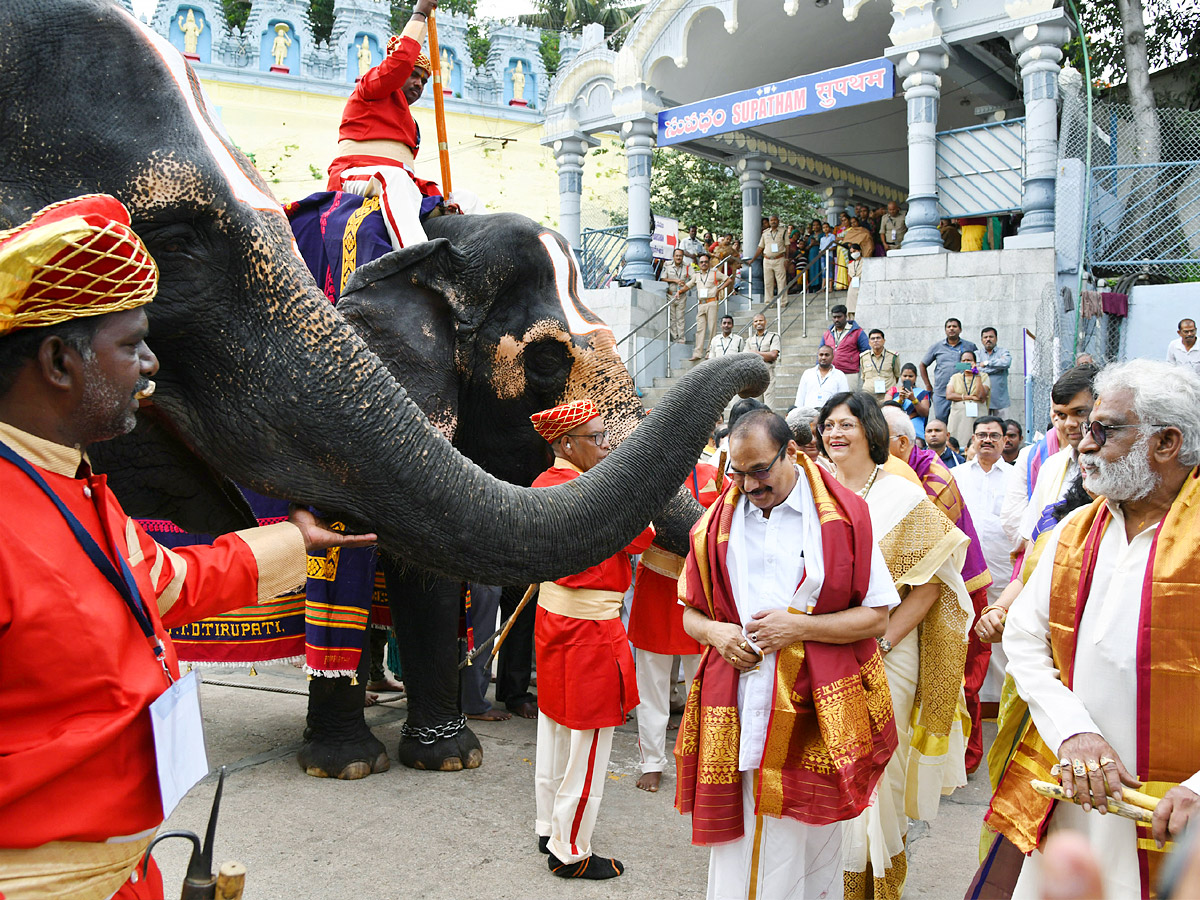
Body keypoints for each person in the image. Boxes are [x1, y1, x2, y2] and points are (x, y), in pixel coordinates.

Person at [0, 195, 372, 900]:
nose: (148, 364)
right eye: (130, 343)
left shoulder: (69, 482)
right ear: (57, 360)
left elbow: (166, 583)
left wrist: (296, 540)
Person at [989, 360, 1200, 898]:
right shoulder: (1072, 532)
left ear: (1167, 442)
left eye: (1103, 430)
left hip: (1178, 811)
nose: (1083, 444)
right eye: (1085, 429)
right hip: (1078, 790)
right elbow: (1024, 640)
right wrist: (1073, 732)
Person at [676, 408, 900, 900]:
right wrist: (718, 634)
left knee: (808, 840)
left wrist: (799, 627)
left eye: (760, 471)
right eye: (737, 472)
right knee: (740, 844)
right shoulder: (716, 524)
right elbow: (690, 613)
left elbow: (876, 619)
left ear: (792, 453)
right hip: (736, 703)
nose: (749, 485)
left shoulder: (845, 518)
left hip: (814, 710)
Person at [816, 394, 971, 899]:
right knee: (828, 766)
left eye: (847, 424)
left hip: (888, 652)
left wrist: (881, 641)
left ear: (871, 432)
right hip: (823, 649)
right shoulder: (811, 491)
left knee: (880, 768)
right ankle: (830, 881)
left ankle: (878, 886)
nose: (835, 433)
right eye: (828, 425)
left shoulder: (902, 495)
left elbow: (929, 588)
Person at [528, 399, 653, 879]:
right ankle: (571, 849)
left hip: (555, 620)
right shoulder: (592, 491)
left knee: (555, 727)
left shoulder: (546, 484)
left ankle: (549, 825)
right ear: (566, 444)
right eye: (596, 438)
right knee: (590, 737)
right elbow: (643, 536)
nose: (605, 446)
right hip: (592, 629)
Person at [880, 404, 995, 772]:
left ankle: (968, 756)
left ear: (900, 443)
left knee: (963, 676)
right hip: (917, 589)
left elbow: (923, 541)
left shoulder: (932, 474)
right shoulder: (897, 469)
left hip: (961, 585)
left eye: (876, 437)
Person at [327, 0, 458, 252]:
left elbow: (406, 172)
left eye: (424, 80)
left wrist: (440, 199)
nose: (419, 83)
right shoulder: (370, 88)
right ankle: (418, 259)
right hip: (355, 175)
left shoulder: (412, 124)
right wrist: (420, 14)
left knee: (464, 199)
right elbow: (397, 66)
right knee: (393, 178)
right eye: (414, 74)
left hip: (398, 181)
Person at [627, 460, 724, 793]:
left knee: (703, 683)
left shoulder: (715, 473)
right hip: (658, 583)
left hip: (700, 591)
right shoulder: (650, 474)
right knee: (651, 682)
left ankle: (700, 761)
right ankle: (652, 761)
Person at [953, 417, 1015, 713]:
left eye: (994, 435)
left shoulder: (1017, 477)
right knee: (968, 640)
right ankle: (969, 700)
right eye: (981, 435)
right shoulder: (955, 475)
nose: (987, 440)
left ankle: (999, 705)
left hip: (1004, 572)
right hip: (964, 574)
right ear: (972, 440)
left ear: (1006, 441)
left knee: (1001, 637)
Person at [1014, 364, 1097, 552]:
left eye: (1080, 412)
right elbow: (1031, 538)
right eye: (1061, 415)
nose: (1069, 424)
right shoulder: (1051, 466)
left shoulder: (1121, 469)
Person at [920, 318, 978, 424]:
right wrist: (928, 386)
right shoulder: (936, 347)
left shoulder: (969, 346)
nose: (951, 329)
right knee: (941, 421)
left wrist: (961, 366)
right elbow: (922, 365)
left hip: (963, 393)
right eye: (949, 327)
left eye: (954, 326)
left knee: (962, 423)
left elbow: (975, 366)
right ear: (945, 330)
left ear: (960, 329)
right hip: (941, 393)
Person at [689, 253, 731, 362]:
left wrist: (719, 288)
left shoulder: (714, 272)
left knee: (712, 328)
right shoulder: (696, 275)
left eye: (706, 262)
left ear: (709, 263)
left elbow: (728, 279)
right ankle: (697, 353)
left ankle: (710, 352)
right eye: (701, 262)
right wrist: (679, 291)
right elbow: (688, 285)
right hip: (701, 304)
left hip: (712, 302)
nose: (703, 264)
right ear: (699, 263)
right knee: (700, 328)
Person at [945, 349, 990, 447]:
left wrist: (977, 374)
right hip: (959, 419)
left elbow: (981, 396)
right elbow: (949, 395)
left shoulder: (984, 376)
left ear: (974, 362)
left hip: (977, 416)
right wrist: (969, 397)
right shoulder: (955, 377)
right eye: (964, 361)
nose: (966, 363)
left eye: (969, 360)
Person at [823, 304, 870, 390]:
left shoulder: (857, 332)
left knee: (848, 399)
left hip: (849, 373)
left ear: (846, 316)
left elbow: (866, 352)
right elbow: (821, 352)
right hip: (831, 372)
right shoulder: (828, 333)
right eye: (834, 317)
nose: (836, 319)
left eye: (839, 317)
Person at [749, 214, 789, 307]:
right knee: (768, 282)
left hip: (779, 259)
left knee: (781, 281)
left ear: (778, 221)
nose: (773, 222)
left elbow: (787, 245)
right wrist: (752, 259)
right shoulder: (765, 233)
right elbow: (760, 247)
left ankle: (783, 301)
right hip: (767, 260)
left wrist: (787, 258)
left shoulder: (783, 231)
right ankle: (769, 302)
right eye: (771, 220)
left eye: (775, 220)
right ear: (769, 222)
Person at [885, 363, 931, 441]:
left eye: (910, 376)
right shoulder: (893, 391)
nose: (907, 378)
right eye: (905, 376)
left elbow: (925, 413)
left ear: (916, 377)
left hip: (915, 428)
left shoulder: (922, 393)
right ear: (900, 376)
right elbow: (886, 410)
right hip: (896, 426)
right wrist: (900, 400)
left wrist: (913, 399)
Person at [795, 345, 849, 410]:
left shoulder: (840, 375)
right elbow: (800, 397)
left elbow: (843, 399)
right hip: (809, 415)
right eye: (821, 355)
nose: (823, 357)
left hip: (829, 416)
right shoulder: (807, 373)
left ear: (832, 357)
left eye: (827, 355)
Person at [745, 313, 781, 408]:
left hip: (768, 374)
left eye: (760, 320)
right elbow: (746, 358)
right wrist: (765, 354)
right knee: (756, 408)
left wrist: (754, 353)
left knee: (769, 407)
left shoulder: (773, 337)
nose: (758, 323)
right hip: (754, 376)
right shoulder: (749, 340)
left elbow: (773, 355)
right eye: (756, 321)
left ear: (765, 322)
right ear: (753, 324)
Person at [860, 328, 901, 405]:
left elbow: (897, 375)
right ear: (869, 342)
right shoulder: (863, 357)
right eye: (873, 339)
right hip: (869, 396)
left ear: (884, 341)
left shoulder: (893, 356)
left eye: (878, 338)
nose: (875, 340)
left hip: (887, 396)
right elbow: (864, 377)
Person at [978, 327, 1012, 416]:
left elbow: (1006, 363)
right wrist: (998, 368)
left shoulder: (1003, 352)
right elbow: (975, 369)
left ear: (996, 338)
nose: (988, 339)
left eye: (991, 337)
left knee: (1002, 427)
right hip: (982, 400)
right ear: (982, 340)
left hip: (1000, 400)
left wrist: (986, 363)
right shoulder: (976, 354)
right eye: (985, 337)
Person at [659, 247, 690, 343]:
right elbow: (662, 278)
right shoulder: (667, 265)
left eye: (680, 256)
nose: (678, 257)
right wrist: (675, 280)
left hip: (682, 295)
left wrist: (685, 284)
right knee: (672, 318)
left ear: (683, 256)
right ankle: (675, 338)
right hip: (671, 295)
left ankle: (681, 339)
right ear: (673, 256)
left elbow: (693, 279)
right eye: (677, 255)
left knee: (680, 318)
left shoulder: (687, 266)